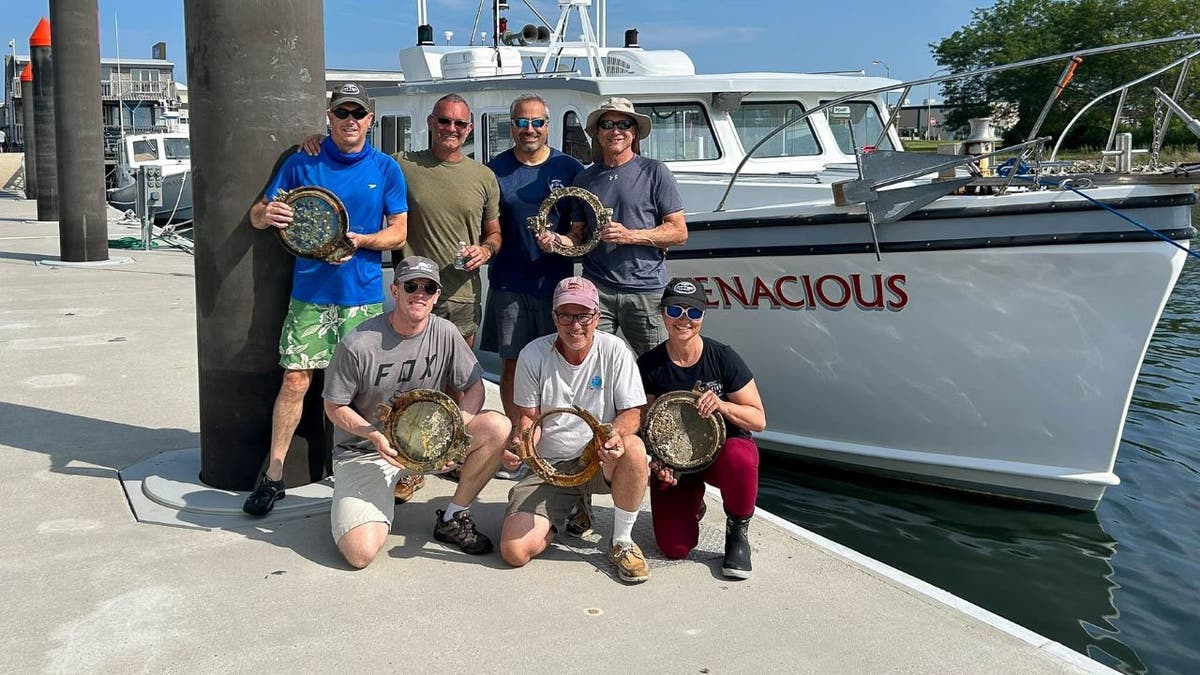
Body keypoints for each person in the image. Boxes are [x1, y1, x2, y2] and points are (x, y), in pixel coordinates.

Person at [244, 81, 408, 517]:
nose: (350, 121)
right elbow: (260, 214)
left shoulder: (386, 167)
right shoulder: (303, 161)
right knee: (296, 381)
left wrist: (367, 240)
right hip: (311, 295)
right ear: (330, 118)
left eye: (358, 114)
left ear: (370, 120)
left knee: (368, 391)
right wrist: (268, 215)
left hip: (362, 297)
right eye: (342, 114)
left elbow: (400, 231)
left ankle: (367, 471)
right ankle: (274, 476)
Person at [322, 256, 511, 568]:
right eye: (411, 286)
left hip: (428, 442)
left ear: (437, 296)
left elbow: (475, 387)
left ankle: (453, 516)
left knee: (497, 427)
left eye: (428, 288)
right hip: (368, 451)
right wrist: (372, 433)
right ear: (395, 291)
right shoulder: (359, 344)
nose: (419, 293)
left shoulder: (446, 332)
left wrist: (453, 430)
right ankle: (367, 500)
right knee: (360, 553)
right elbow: (334, 405)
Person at [498, 276, 652, 583]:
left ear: (597, 316)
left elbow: (632, 414)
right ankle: (567, 509)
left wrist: (615, 436)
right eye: (566, 315)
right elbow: (529, 418)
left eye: (583, 315)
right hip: (551, 465)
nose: (575, 325)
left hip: (598, 458)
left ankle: (621, 540)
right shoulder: (532, 354)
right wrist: (521, 445)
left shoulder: (615, 351)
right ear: (554, 317)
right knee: (514, 551)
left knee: (634, 448)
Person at [536, 96, 687, 358]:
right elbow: (578, 236)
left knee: (656, 366)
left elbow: (678, 232)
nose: (615, 130)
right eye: (607, 124)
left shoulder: (655, 171)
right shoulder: (584, 178)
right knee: (590, 360)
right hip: (598, 290)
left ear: (634, 131)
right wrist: (555, 241)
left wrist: (631, 235)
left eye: (624, 124)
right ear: (597, 132)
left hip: (645, 290)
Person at [636, 278, 766, 579]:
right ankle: (694, 504)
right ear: (662, 313)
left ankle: (737, 532)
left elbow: (758, 419)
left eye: (693, 313)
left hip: (721, 454)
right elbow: (644, 425)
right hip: (677, 463)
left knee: (741, 456)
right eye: (675, 310)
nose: (684, 319)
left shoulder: (722, 357)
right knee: (674, 547)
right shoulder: (650, 365)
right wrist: (657, 462)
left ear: (703, 316)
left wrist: (722, 405)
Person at [481, 93, 585, 458]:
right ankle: (516, 439)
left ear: (548, 125)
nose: (530, 129)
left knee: (555, 362)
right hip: (509, 282)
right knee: (513, 363)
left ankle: (550, 436)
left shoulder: (569, 168)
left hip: (555, 286)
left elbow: (579, 232)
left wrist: (561, 241)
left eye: (537, 122)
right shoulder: (494, 171)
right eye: (522, 123)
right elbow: (486, 228)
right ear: (512, 126)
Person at [395, 94, 502, 346]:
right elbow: (357, 159)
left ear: (469, 129)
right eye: (444, 121)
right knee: (413, 378)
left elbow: (495, 233)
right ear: (431, 122)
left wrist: (486, 250)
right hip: (415, 293)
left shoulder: (484, 176)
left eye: (460, 124)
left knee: (458, 381)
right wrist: (321, 142)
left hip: (461, 296)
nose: (451, 129)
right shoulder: (402, 164)